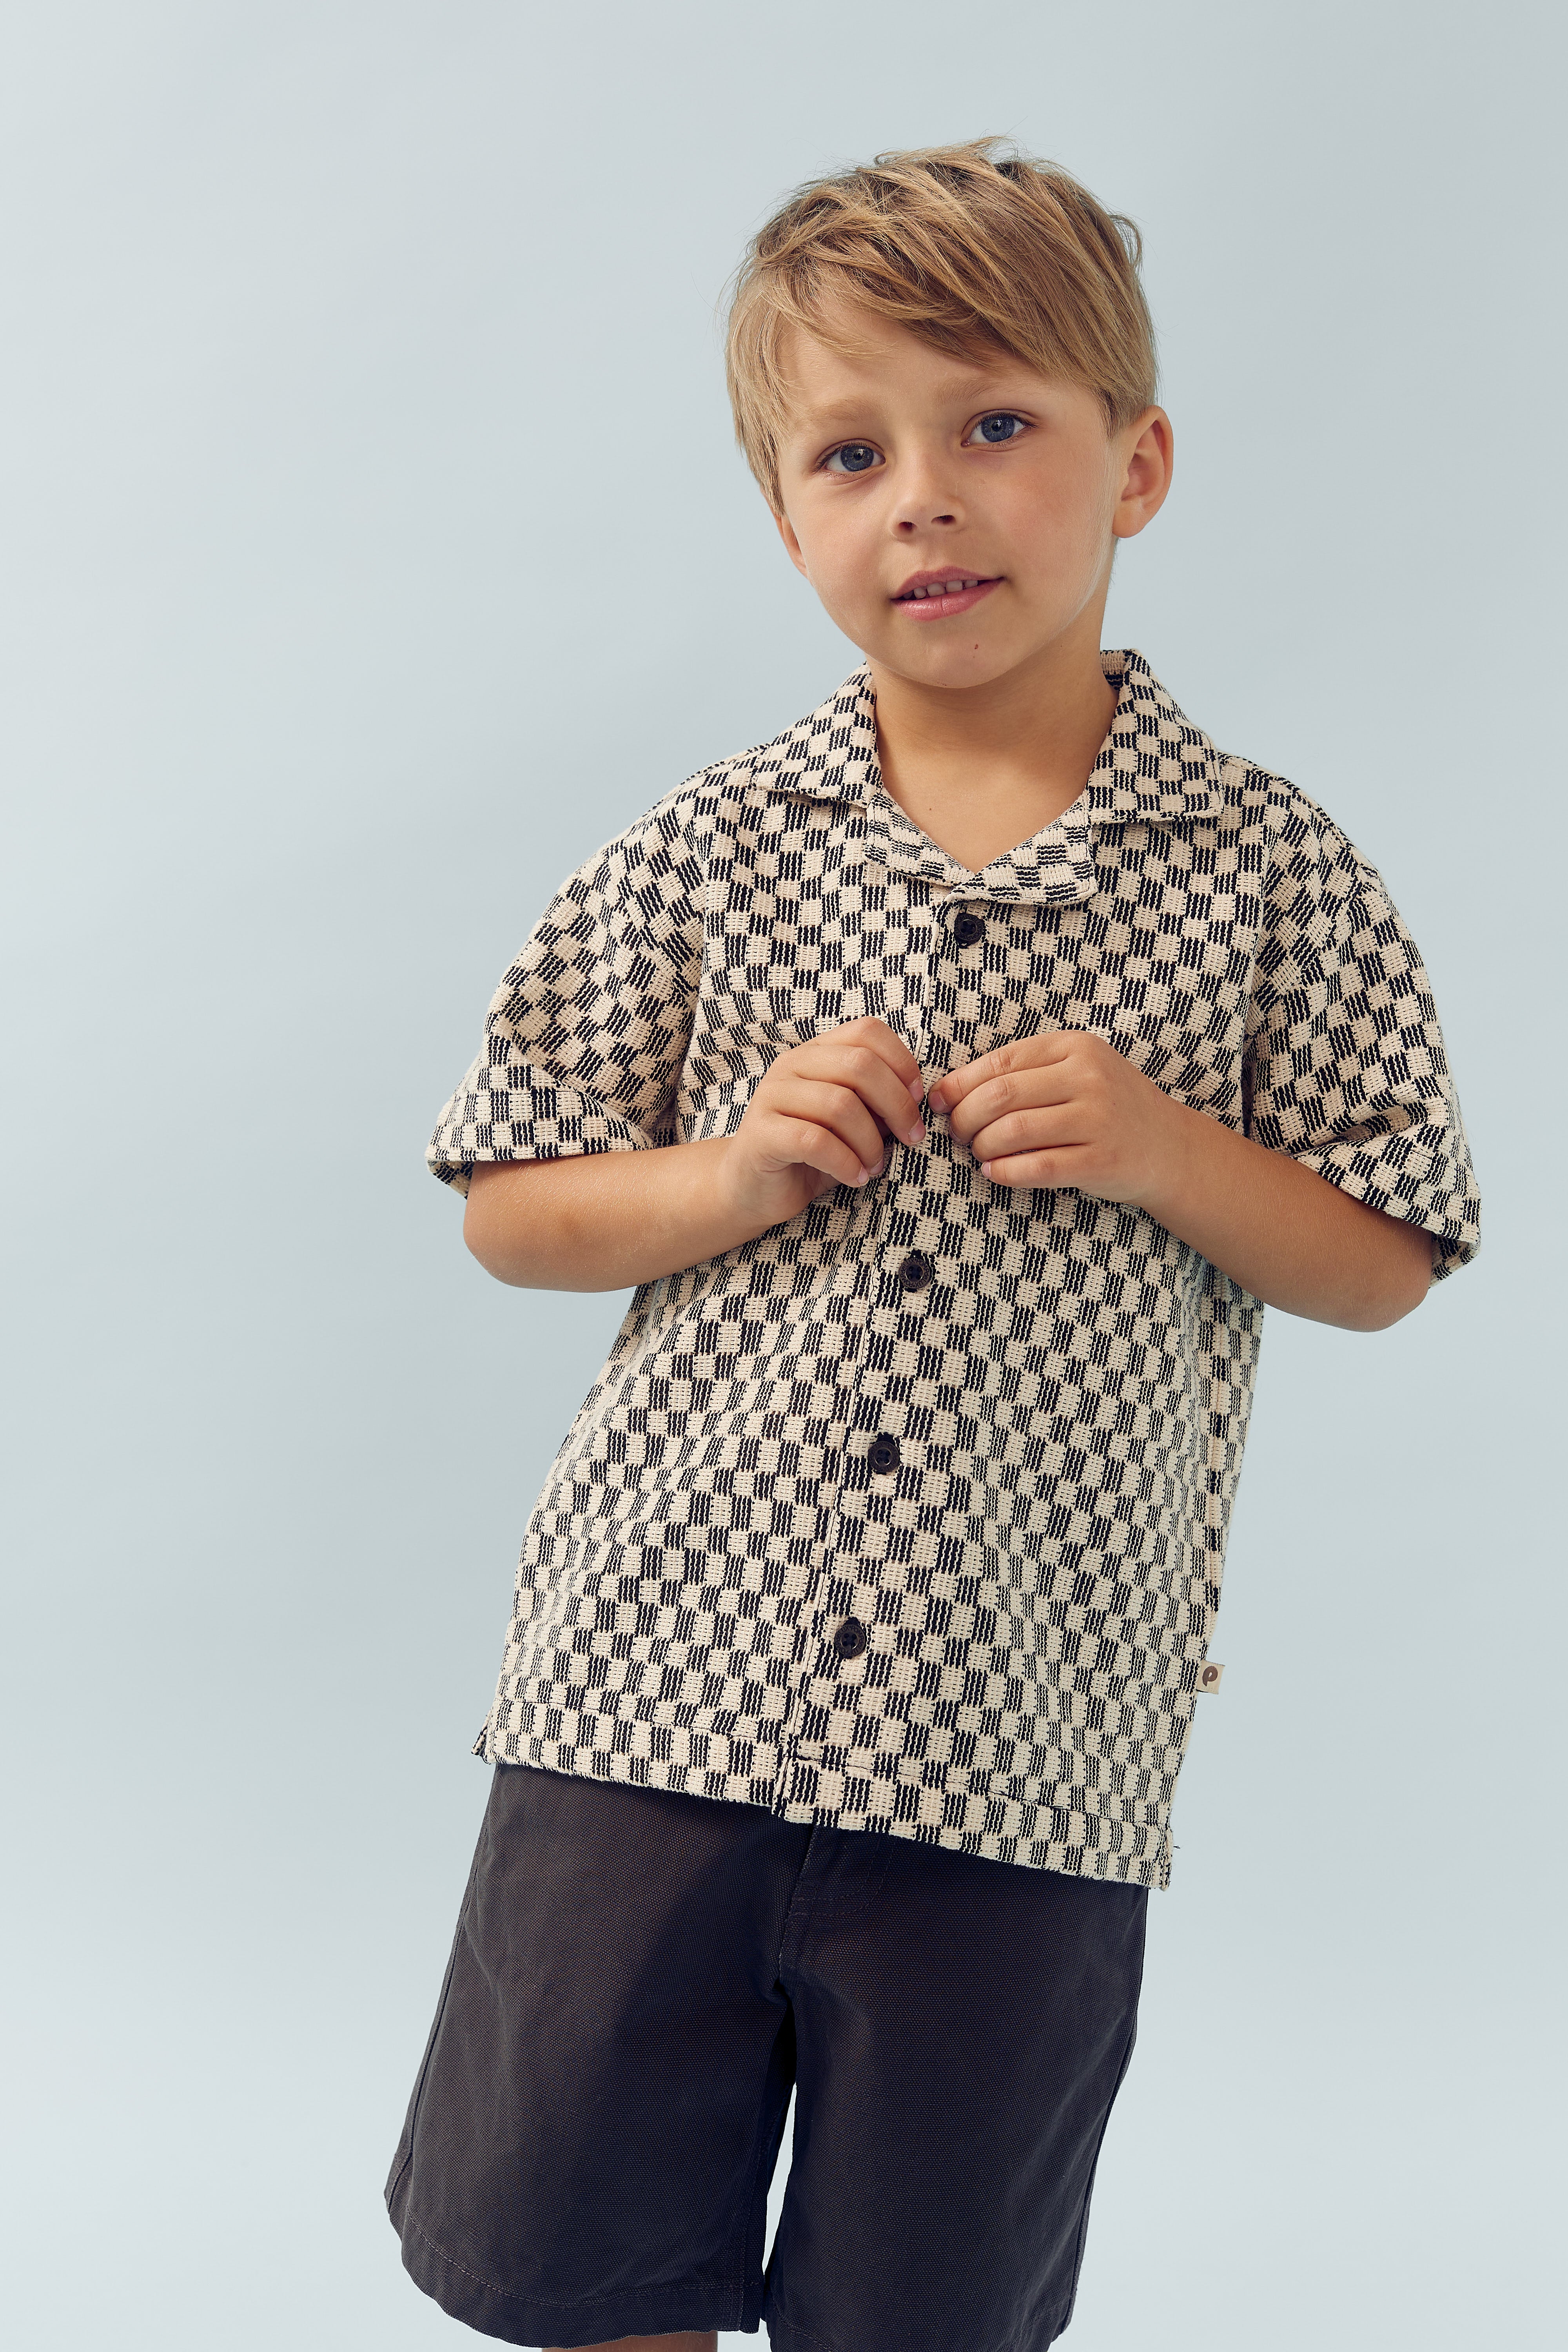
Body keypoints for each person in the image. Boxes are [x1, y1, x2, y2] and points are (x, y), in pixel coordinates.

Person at [385, 140, 1479, 2352]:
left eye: (998, 425)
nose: (927, 498)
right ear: (787, 512)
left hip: (1020, 1748)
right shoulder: (697, 852)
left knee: (926, 2299)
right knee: (589, 2252)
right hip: (647, 1707)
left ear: (1136, 461)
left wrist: (1168, 1147)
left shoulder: (1274, 874)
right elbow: (510, 1202)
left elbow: (1387, 1253)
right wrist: (725, 1176)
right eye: (851, 450)